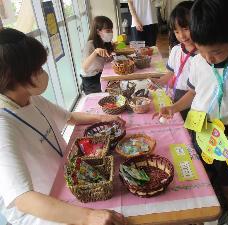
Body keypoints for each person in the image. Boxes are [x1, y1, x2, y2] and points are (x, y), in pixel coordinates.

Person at [154, 0, 228, 224]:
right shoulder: (199, 62)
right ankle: (207, 215)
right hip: (199, 128)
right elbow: (193, 93)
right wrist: (174, 107)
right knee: (202, 179)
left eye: (216, 52)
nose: (209, 59)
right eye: (202, 51)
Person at [0, 28, 126, 225]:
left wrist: (101, 119)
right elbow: (24, 199)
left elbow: (70, 117)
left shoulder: (31, 98)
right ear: (15, 76)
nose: (43, 74)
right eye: (38, 69)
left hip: (65, 180)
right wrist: (88, 217)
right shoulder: (3, 124)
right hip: (41, 210)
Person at [150, 1, 195, 120]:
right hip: (177, 94)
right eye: (177, 31)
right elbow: (171, 73)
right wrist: (160, 81)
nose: (182, 36)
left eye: (186, 29)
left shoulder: (203, 55)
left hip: (195, 99)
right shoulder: (176, 50)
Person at [81, 16, 114, 95]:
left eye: (111, 30)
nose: (111, 33)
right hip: (91, 82)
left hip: (100, 76)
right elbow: (84, 67)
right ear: (98, 31)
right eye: (108, 30)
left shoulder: (105, 43)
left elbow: (108, 58)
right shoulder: (90, 45)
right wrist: (95, 52)